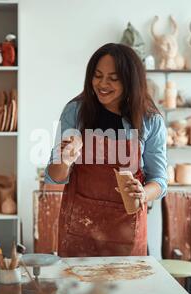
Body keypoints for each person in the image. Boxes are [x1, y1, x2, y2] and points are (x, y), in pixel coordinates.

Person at [45, 43, 167, 257]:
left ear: (130, 81)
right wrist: (64, 160)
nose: (102, 84)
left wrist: (143, 193)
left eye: (113, 78)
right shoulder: (75, 112)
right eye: (97, 76)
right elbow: (54, 177)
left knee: (125, 290)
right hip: (79, 227)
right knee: (78, 289)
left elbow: (159, 180)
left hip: (126, 230)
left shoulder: (150, 120)